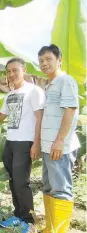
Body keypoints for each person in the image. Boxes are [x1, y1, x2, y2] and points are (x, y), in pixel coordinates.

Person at [0, 58, 44, 233]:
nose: (11, 74)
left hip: (26, 141)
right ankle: (18, 215)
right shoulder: (9, 95)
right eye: (8, 71)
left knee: (21, 182)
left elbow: (40, 117)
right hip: (10, 141)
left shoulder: (34, 91)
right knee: (13, 181)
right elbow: (1, 117)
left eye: (15, 70)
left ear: (23, 70)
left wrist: (36, 143)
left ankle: (29, 221)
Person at [38, 44, 80, 233]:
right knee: (49, 188)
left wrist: (60, 140)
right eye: (41, 61)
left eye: (48, 59)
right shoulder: (49, 85)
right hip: (48, 146)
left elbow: (70, 110)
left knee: (61, 189)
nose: (44, 63)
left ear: (59, 60)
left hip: (59, 146)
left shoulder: (66, 81)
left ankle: (59, 231)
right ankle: (50, 228)